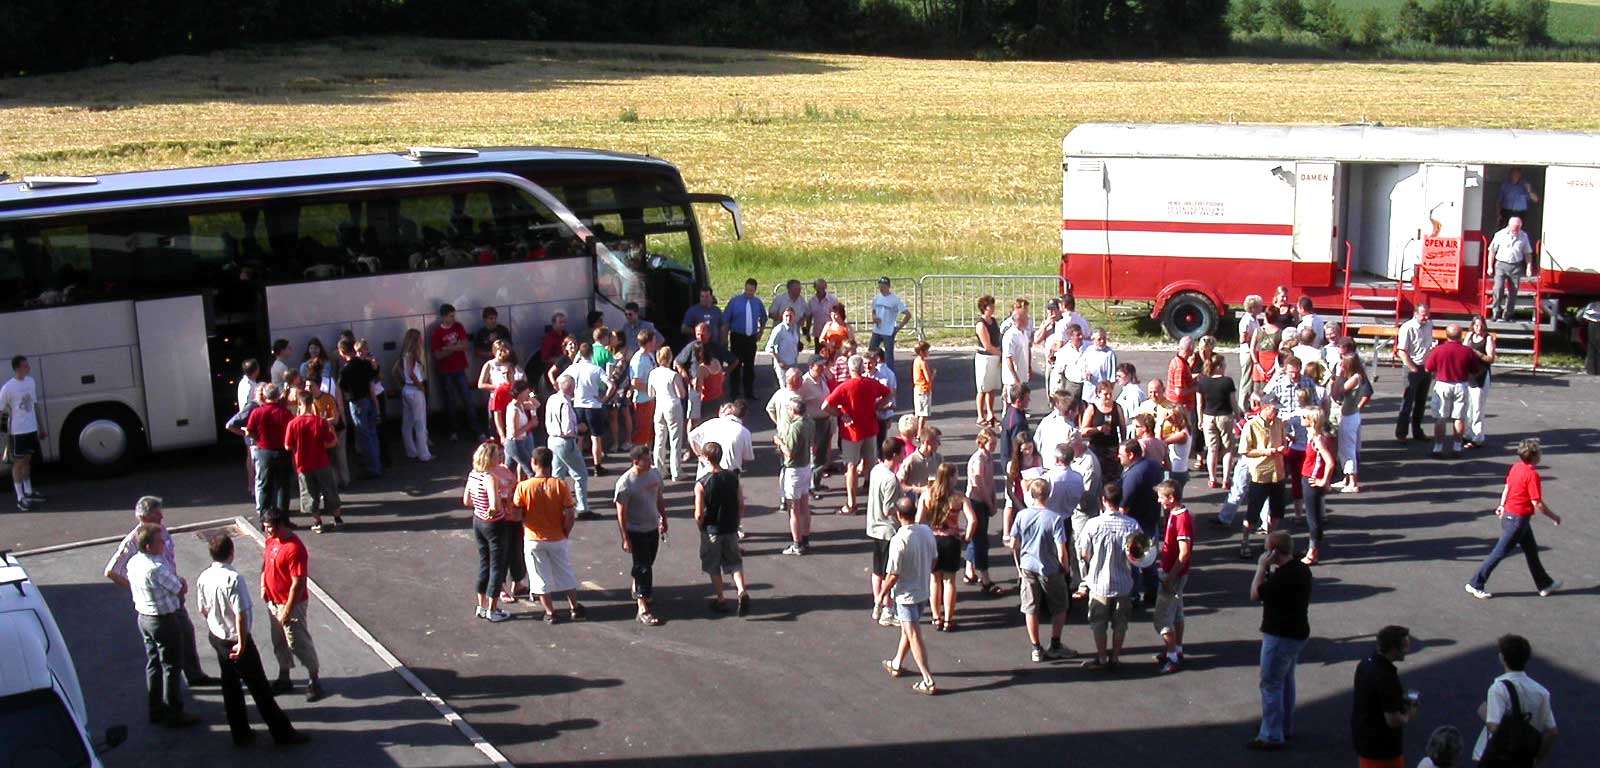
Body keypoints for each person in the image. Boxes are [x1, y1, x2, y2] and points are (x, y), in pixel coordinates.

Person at [195, 533, 306, 747]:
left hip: (217, 637)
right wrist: (243, 643)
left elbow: (203, 609)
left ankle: (240, 733)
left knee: (230, 687)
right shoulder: (233, 579)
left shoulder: (204, 577)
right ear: (231, 553)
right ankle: (283, 734)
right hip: (236, 640)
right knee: (260, 690)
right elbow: (241, 613)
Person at [105, 497, 218, 694]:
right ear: (144, 516)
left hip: (171, 594)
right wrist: (139, 589)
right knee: (166, 657)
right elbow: (111, 571)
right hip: (160, 604)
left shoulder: (161, 530)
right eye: (157, 514)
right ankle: (174, 701)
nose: (162, 517)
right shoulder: (133, 540)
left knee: (186, 633)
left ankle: (194, 675)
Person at [122, 523, 202, 727]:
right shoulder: (157, 568)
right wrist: (182, 582)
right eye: (160, 541)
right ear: (148, 546)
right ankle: (174, 711)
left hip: (144, 618)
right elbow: (179, 588)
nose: (164, 544)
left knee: (153, 663)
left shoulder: (133, 562)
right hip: (163, 620)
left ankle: (155, 708)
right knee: (171, 666)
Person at [1465, 438, 1563, 599]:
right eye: (1539, 452)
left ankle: (1544, 584)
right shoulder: (1532, 474)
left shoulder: (1516, 467)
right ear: (1533, 456)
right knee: (1499, 552)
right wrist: (1554, 516)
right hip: (1518, 520)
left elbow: (1508, 487)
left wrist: (1502, 505)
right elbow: (1536, 502)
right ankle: (1476, 583)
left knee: (1531, 551)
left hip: (1513, 517)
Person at [1248, 531, 1312, 752]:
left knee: (1271, 684)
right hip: (1297, 633)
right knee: (1286, 680)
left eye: (1267, 550)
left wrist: (1260, 568)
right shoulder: (1302, 569)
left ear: (1275, 551)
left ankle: (1271, 734)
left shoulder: (1282, 577)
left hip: (1280, 635)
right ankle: (1284, 726)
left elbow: (1255, 594)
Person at [512, 447, 586, 623]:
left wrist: (525, 520)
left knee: (539, 576)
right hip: (557, 537)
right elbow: (570, 513)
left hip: (533, 538)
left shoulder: (523, 486)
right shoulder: (559, 485)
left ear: (534, 463)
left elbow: (516, 515)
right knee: (565, 573)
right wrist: (565, 531)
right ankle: (574, 607)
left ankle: (550, 613)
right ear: (550, 463)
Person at [260, 509, 323, 701]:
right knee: (279, 642)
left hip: (291, 605)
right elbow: (265, 564)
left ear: (281, 525)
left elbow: (298, 583)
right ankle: (284, 676)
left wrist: (287, 610)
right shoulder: (271, 540)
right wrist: (263, 583)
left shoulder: (295, 548)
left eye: (269, 527)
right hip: (273, 602)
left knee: (298, 643)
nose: (266, 530)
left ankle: (314, 679)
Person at [877, 497, 938, 695]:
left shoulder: (899, 539)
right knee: (907, 630)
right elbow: (934, 560)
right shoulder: (926, 531)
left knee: (913, 635)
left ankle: (927, 679)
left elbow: (893, 574)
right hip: (922, 592)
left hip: (906, 597)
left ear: (898, 515)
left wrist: (881, 594)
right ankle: (896, 663)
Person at [1010, 477, 1074, 663]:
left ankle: (1036, 647)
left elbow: (1014, 542)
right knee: (1060, 606)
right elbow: (1061, 549)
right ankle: (1055, 643)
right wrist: (1066, 568)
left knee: (1030, 608)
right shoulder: (1055, 519)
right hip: (1049, 568)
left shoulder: (1022, 515)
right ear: (1049, 495)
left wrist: (1019, 564)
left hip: (1028, 566)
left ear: (1031, 494)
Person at [1472, 634, 1559, 766]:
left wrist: (1485, 714)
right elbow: (1552, 732)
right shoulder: (1542, 692)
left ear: (1502, 658)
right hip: (1524, 761)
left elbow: (1494, 727)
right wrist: (1538, 759)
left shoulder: (1498, 688)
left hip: (1498, 759)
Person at [822, 355, 893, 516]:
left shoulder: (844, 387)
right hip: (870, 428)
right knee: (872, 464)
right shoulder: (872, 383)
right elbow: (889, 394)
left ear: (849, 369)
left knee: (851, 466)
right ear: (862, 368)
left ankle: (851, 503)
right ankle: (877, 499)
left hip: (852, 432)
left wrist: (841, 414)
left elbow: (825, 405)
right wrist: (876, 406)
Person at [1080, 483, 1139, 671]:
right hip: (1123, 583)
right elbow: (1139, 554)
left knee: (1098, 623)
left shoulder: (1093, 524)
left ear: (1103, 501)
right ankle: (1115, 657)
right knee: (1120, 623)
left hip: (1099, 583)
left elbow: (1084, 553)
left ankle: (1102, 658)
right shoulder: (1132, 525)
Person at [693, 442, 749, 615]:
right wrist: (736, 520)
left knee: (713, 565)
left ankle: (721, 599)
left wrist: (701, 526)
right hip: (730, 527)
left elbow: (698, 513)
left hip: (712, 529)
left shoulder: (702, 483)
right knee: (735, 562)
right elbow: (741, 503)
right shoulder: (733, 477)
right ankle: (741, 590)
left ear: (706, 458)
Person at [1351, 625, 1418, 768]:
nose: (1408, 651)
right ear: (1394, 649)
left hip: (1364, 738)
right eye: (1405, 646)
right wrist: (1408, 715)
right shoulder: (1387, 678)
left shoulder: (1364, 664)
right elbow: (1393, 720)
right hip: (1382, 749)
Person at [615, 445, 668, 626]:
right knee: (644, 567)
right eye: (646, 459)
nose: (650, 461)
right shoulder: (625, 483)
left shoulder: (654, 474)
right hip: (635, 530)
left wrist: (663, 518)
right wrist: (625, 538)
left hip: (652, 527)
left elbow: (659, 497)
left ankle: (637, 585)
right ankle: (643, 607)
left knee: (647, 562)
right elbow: (621, 513)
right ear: (636, 462)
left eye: (650, 458)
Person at [464, 442, 514, 622]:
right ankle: (493, 610)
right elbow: (494, 505)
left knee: (484, 563)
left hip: (478, 522)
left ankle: (481, 605)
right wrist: (498, 505)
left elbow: (467, 501)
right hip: (494, 524)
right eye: (497, 456)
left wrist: (481, 507)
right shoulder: (489, 478)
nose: (499, 458)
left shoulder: (473, 475)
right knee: (497, 567)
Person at [918, 463, 969, 632]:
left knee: (934, 580)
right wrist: (967, 536)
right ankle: (948, 619)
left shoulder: (927, 495)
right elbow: (973, 519)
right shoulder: (958, 497)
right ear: (951, 477)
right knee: (949, 581)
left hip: (933, 539)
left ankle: (935, 616)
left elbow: (918, 520)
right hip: (951, 541)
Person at [1240, 394, 1289, 559]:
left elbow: (1284, 442)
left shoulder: (1279, 423)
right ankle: (1245, 542)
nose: (1277, 413)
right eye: (1274, 409)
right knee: (1252, 512)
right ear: (1265, 407)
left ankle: (1271, 543)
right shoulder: (1251, 426)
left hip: (1278, 473)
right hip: (1260, 474)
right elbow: (1245, 450)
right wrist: (1266, 452)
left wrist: (1285, 446)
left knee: (1276, 512)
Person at [285, 390, 341, 532]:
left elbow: (288, 446)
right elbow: (331, 442)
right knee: (329, 490)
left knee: (309, 493)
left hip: (303, 464)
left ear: (299, 403)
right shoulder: (320, 422)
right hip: (321, 462)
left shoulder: (293, 424)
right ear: (311, 403)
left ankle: (318, 522)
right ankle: (337, 518)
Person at [1424, 324, 1482, 458]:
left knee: (1440, 418)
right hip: (1461, 384)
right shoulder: (1467, 351)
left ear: (1446, 335)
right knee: (1459, 417)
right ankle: (1457, 447)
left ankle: (1438, 447)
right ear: (1461, 335)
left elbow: (1428, 368)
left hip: (1443, 384)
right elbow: (1475, 370)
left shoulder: (1438, 350)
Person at [867, 438, 905, 626]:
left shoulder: (876, 470)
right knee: (889, 573)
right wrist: (904, 507)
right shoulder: (890, 478)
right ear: (895, 454)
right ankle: (887, 610)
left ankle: (878, 605)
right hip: (888, 530)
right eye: (902, 452)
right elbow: (888, 508)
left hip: (874, 528)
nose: (904, 455)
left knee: (877, 571)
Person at [544, 374, 593, 520]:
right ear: (571, 387)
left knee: (557, 475)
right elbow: (567, 429)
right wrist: (579, 428)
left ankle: (554, 505)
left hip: (552, 440)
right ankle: (583, 507)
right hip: (565, 442)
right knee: (580, 474)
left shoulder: (552, 398)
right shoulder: (565, 404)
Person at [245, 384, 295, 524]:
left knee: (265, 485)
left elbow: (249, 431)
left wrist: (258, 438)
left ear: (265, 396)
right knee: (283, 486)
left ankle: (265, 519)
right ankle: (283, 519)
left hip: (264, 452)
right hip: (282, 452)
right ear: (278, 395)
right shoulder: (285, 413)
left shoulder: (257, 412)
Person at [2, 356, 45, 511]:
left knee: (27, 461)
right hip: (17, 432)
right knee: (18, 463)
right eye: (25, 366)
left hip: (31, 429)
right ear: (18, 368)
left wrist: (41, 427)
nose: (28, 368)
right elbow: (2, 411)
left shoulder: (30, 382)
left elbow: (35, 405)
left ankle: (29, 490)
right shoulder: (8, 388)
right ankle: (20, 497)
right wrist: (3, 435)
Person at [561, 342, 610, 475]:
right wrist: (604, 398)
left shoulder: (573, 368)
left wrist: (569, 395)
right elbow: (611, 385)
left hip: (578, 405)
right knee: (596, 438)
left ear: (579, 354)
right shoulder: (596, 369)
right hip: (593, 405)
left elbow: (560, 380)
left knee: (579, 437)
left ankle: (578, 465)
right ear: (591, 354)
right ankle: (597, 466)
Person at [336, 338, 382, 478]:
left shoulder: (345, 370)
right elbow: (374, 375)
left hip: (357, 403)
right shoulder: (364, 363)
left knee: (364, 435)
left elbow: (341, 387)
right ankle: (377, 463)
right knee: (372, 434)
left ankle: (372, 468)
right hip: (369, 400)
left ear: (342, 352)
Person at [431, 303, 477, 440]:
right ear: (443, 316)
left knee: (468, 400)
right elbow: (437, 355)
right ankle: (453, 431)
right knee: (450, 402)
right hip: (445, 371)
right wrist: (455, 347)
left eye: (454, 315)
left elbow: (465, 345)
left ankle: (476, 429)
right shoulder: (437, 333)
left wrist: (447, 348)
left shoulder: (458, 327)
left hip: (460, 368)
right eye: (450, 316)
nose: (453, 318)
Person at [776, 399, 815, 555]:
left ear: (793, 411)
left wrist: (779, 442)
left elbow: (789, 453)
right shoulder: (810, 422)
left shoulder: (794, 428)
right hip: (806, 466)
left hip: (794, 470)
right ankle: (805, 538)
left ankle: (797, 543)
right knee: (805, 505)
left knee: (794, 509)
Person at [964, 429, 1001, 595]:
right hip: (976, 502)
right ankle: (985, 579)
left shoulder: (988, 457)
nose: (993, 446)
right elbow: (979, 486)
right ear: (982, 442)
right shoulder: (978, 460)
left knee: (976, 536)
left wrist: (993, 500)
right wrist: (990, 503)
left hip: (983, 501)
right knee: (981, 541)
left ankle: (969, 570)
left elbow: (991, 482)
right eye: (991, 443)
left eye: (994, 443)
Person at [1196, 355, 1238, 489]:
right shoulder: (1227, 382)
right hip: (1225, 416)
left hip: (1208, 416)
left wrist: (1200, 419)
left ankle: (1212, 478)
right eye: (1224, 365)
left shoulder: (1202, 382)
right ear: (1219, 367)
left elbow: (1199, 404)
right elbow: (1233, 402)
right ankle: (1226, 479)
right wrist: (1237, 415)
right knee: (1228, 449)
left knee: (1212, 449)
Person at [1396, 303, 1435, 442]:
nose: (1426, 317)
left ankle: (1417, 431)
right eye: (1423, 314)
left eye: (1427, 314)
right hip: (1412, 367)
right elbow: (1401, 351)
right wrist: (1412, 368)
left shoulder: (1429, 325)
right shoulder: (1407, 328)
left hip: (1426, 366)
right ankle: (1401, 433)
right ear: (1415, 314)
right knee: (1408, 402)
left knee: (1421, 402)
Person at [1333, 352, 1372, 493]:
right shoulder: (1358, 376)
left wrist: (1338, 374)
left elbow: (1337, 391)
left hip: (1349, 416)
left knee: (1347, 449)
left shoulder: (1355, 378)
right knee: (1345, 449)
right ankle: (1346, 479)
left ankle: (1353, 483)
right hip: (1352, 414)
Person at [647, 345, 687, 481]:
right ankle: (676, 471)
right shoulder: (673, 375)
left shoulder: (653, 373)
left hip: (659, 405)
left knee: (660, 438)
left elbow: (650, 393)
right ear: (670, 358)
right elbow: (681, 394)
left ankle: (660, 469)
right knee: (675, 439)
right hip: (673, 406)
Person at [689, 400, 755, 480]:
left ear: (732, 410)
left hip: (706, 473)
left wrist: (700, 455)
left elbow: (691, 436)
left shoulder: (712, 422)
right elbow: (746, 457)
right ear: (745, 415)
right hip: (730, 476)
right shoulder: (744, 432)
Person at [724, 278, 766, 400]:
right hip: (737, 336)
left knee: (749, 366)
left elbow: (763, 318)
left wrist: (761, 332)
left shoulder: (757, 302)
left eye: (751, 290)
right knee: (736, 364)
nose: (749, 292)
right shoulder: (735, 301)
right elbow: (726, 319)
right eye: (747, 290)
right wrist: (725, 337)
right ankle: (734, 393)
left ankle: (749, 392)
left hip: (751, 338)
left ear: (755, 290)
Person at [1080, 381, 1126, 485]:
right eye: (1105, 394)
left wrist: (1123, 444)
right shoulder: (1092, 409)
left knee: (1113, 478)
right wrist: (1098, 429)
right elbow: (1083, 431)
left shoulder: (1117, 407)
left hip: (1113, 448)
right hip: (1097, 448)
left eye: (1110, 393)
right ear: (1098, 393)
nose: (1109, 397)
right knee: (1097, 477)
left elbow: (1122, 427)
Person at [1464, 315, 1496, 449]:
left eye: (1481, 325)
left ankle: (1478, 437)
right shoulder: (1469, 335)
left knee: (1478, 407)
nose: (1478, 328)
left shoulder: (1488, 338)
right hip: (1469, 375)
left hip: (1481, 375)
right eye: (1476, 325)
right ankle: (1467, 434)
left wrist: (1478, 354)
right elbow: (1464, 349)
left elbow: (1491, 359)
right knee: (1468, 407)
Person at [869, 276, 912, 368]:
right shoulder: (876, 298)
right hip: (877, 330)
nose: (881, 289)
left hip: (888, 332)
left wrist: (898, 328)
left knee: (888, 356)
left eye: (884, 287)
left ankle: (890, 375)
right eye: (880, 286)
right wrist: (874, 317)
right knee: (871, 352)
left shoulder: (895, 300)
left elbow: (908, 315)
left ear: (888, 287)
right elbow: (873, 310)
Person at [1048, 324, 1088, 410]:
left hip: (1088, 384)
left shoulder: (1090, 347)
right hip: (1072, 385)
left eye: (1081, 334)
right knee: (1071, 409)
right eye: (1078, 335)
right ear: (1071, 337)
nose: (1081, 337)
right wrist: (1055, 392)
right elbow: (1057, 373)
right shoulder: (1064, 352)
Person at [1238, 294, 1265, 409]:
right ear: (1253, 308)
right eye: (1259, 306)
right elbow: (1243, 339)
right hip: (1248, 352)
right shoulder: (1246, 320)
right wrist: (1255, 338)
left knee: (1250, 379)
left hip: (1253, 351)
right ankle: (1242, 405)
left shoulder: (1254, 319)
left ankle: (1247, 403)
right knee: (1246, 380)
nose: (1261, 308)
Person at [1001, 297, 1032, 395]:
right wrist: (1016, 378)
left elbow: (1027, 349)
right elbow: (1009, 358)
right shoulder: (1011, 335)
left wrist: (1029, 367)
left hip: (1022, 376)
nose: (1028, 319)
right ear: (1019, 320)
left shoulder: (1023, 333)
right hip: (1013, 380)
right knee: (1012, 406)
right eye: (1025, 317)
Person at [766, 306, 803, 387]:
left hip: (793, 363)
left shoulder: (795, 328)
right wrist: (779, 361)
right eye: (786, 316)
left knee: (794, 387)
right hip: (782, 364)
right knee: (784, 388)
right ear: (782, 317)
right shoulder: (779, 329)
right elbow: (769, 348)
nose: (788, 318)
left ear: (794, 316)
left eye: (790, 316)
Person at [803, 278, 840, 349]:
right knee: (818, 354)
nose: (821, 290)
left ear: (826, 287)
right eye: (819, 288)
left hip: (831, 332)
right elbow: (809, 318)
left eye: (823, 287)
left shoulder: (832, 300)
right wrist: (807, 333)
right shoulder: (811, 301)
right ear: (815, 288)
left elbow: (838, 315)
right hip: (818, 332)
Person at [911, 340, 935, 436]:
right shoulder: (923, 363)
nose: (928, 352)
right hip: (924, 389)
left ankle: (915, 431)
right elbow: (928, 379)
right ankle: (919, 433)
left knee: (917, 412)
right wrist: (933, 374)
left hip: (917, 388)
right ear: (922, 352)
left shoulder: (916, 361)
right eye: (927, 350)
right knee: (923, 414)